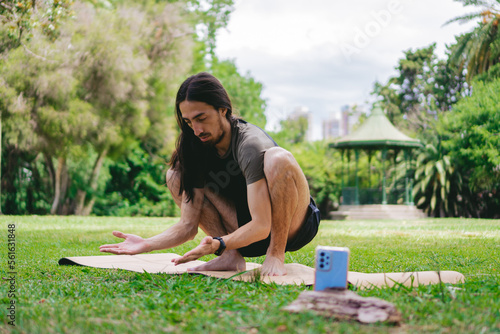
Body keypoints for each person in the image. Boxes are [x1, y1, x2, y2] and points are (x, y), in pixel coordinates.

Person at [99, 72, 321, 276]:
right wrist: (147, 244)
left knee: (277, 159)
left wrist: (218, 243)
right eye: (188, 122)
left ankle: (276, 255)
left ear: (222, 109)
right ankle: (231, 258)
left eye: (201, 118)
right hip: (246, 234)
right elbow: (187, 226)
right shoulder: (196, 147)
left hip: (294, 226)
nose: (196, 130)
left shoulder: (249, 144)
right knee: (175, 175)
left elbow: (262, 225)